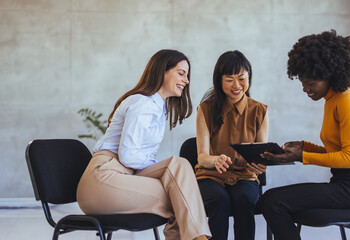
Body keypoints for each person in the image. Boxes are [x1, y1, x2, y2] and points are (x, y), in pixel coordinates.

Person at [76, 49, 211, 240]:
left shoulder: (157, 107)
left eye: (187, 75)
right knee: (180, 194)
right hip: (104, 180)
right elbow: (128, 156)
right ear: (162, 71)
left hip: (125, 177)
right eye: (181, 73)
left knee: (179, 177)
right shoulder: (142, 103)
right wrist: (163, 175)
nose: (186, 80)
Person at [259, 30, 350, 240]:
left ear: (329, 75)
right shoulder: (332, 100)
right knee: (273, 200)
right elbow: (337, 151)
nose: (305, 89)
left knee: (273, 201)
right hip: (345, 184)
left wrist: (301, 157)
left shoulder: (346, 101)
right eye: (302, 83)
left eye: (311, 83)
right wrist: (305, 147)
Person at [195, 50, 269, 240]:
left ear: (249, 78)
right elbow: (202, 157)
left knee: (243, 199)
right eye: (229, 79)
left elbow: (263, 154)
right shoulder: (205, 109)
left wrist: (262, 164)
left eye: (242, 78)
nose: (237, 85)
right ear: (219, 81)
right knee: (219, 200)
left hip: (245, 176)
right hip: (211, 176)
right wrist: (215, 160)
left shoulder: (259, 110)